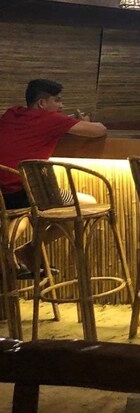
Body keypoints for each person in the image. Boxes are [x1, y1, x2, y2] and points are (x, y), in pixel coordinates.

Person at [0, 79, 107, 275]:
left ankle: (17, 252)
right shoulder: (51, 120)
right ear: (42, 103)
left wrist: (68, 120)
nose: (61, 105)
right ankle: (30, 250)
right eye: (57, 100)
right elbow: (99, 130)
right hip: (25, 191)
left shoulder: (12, 113)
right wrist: (83, 122)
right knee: (88, 204)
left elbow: (34, 127)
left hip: (4, 193)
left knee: (24, 213)